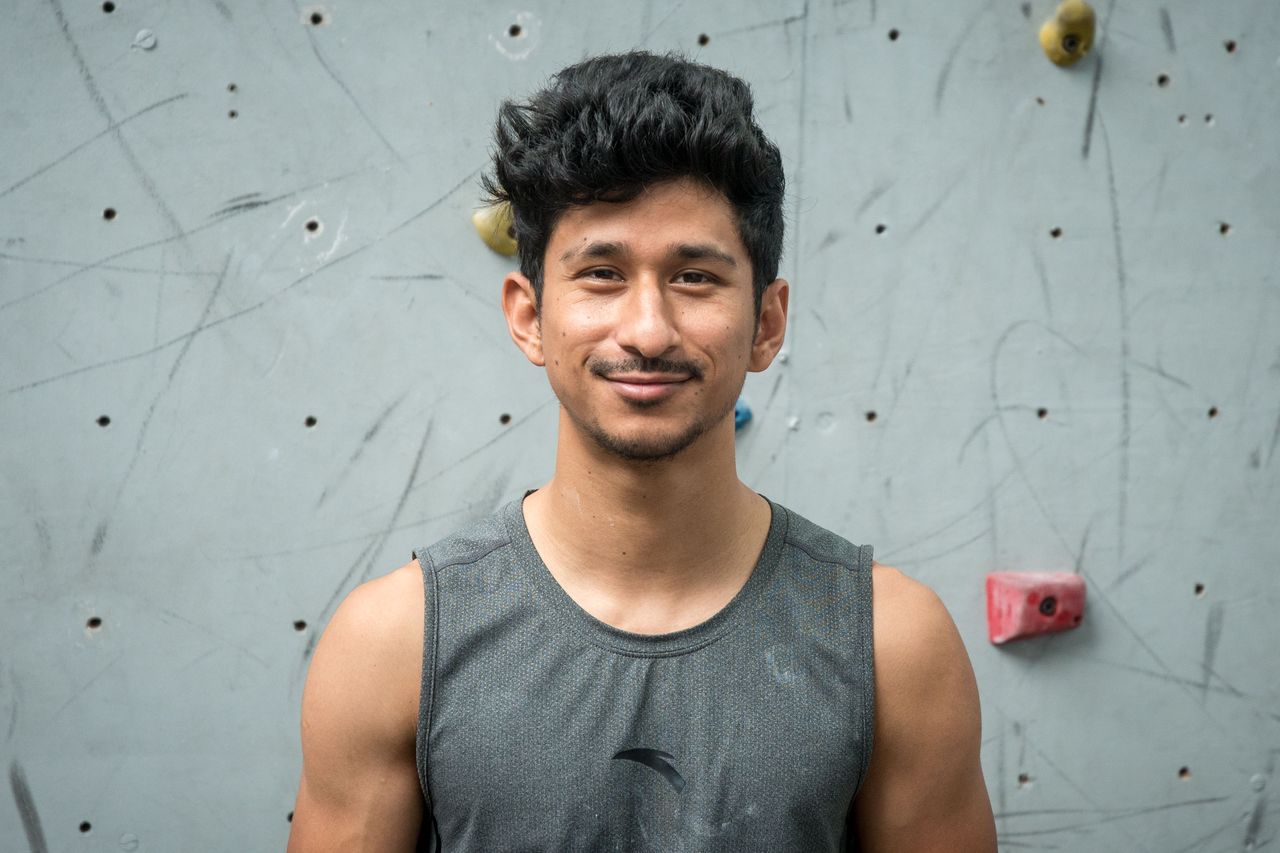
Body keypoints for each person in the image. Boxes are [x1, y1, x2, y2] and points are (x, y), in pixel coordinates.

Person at [287, 50, 996, 852]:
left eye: (694, 277)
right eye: (601, 273)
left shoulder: (893, 644)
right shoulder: (394, 642)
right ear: (528, 315)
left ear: (767, 322)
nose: (648, 329)